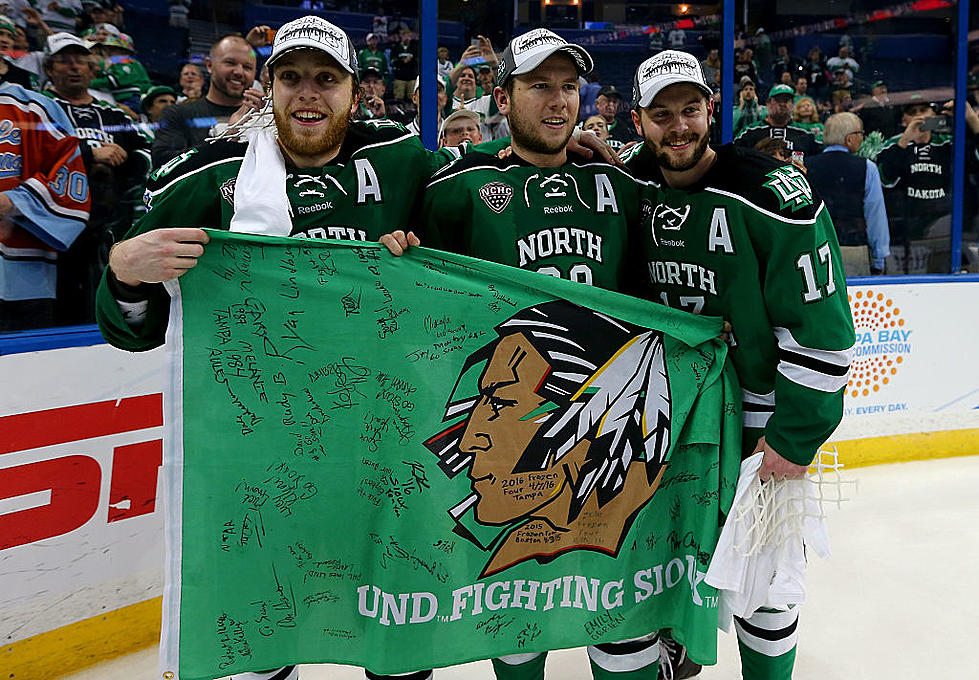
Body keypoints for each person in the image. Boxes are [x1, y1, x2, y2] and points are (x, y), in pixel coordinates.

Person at [419, 30, 666, 679]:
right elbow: (414, 293)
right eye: (538, 86)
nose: (557, 101)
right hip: (511, 441)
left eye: (566, 86)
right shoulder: (463, 186)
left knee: (616, 610)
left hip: (610, 435)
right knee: (518, 609)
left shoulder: (619, 184)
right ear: (502, 97)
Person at [621, 48, 855, 680]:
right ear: (638, 120)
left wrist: (793, 437)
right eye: (662, 114)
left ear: (710, 109)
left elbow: (825, 332)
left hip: (759, 423)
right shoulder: (633, 180)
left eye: (691, 110)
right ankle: (676, 648)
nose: (679, 128)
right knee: (657, 560)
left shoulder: (773, 192)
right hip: (661, 416)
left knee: (767, 581)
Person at [43, 30, 149, 324]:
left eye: (81, 61)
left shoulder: (114, 115)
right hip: (55, 231)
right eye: (64, 61)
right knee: (63, 311)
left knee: (107, 307)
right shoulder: (38, 110)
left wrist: (124, 157)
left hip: (110, 226)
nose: (75, 67)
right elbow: (34, 154)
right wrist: (89, 155)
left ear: (92, 69)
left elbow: (147, 154)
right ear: (49, 70)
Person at [0, 82, 89, 331]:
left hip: (21, 276)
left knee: (28, 363)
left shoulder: (36, 106)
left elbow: (68, 170)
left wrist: (14, 201)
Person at [877, 96, 979, 272]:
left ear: (934, 114)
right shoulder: (893, 145)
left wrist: (971, 118)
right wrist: (905, 140)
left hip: (944, 223)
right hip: (906, 226)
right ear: (904, 120)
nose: (919, 116)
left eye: (924, 110)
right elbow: (886, 179)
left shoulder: (949, 142)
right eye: (912, 112)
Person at [151, 34, 259, 166]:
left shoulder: (262, 118)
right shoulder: (177, 114)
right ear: (209, 65)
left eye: (247, 67)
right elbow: (162, 163)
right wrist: (226, 139)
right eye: (230, 63)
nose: (239, 72)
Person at [806, 112, 890, 274]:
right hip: (853, 249)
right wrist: (879, 258)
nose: (862, 139)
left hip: (815, 250)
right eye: (860, 133)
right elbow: (875, 216)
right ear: (849, 138)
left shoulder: (806, 167)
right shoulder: (867, 168)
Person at [734, 83, 821, 158]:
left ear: (793, 105)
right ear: (767, 103)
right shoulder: (750, 132)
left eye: (786, 100)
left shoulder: (805, 134)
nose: (782, 104)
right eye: (778, 100)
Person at [594, 83, 638, 150]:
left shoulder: (626, 129)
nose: (611, 105)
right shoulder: (585, 125)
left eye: (614, 102)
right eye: (607, 101)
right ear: (597, 103)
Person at [390, 27, 417, 101]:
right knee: (398, 99)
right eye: (405, 35)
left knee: (412, 99)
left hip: (411, 77)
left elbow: (417, 60)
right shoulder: (395, 47)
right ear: (401, 36)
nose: (407, 38)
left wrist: (410, 60)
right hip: (399, 77)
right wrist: (402, 61)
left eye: (409, 36)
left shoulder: (414, 47)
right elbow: (392, 62)